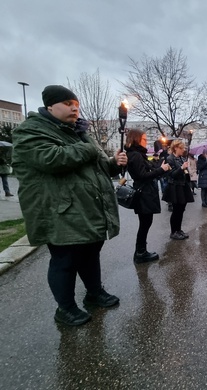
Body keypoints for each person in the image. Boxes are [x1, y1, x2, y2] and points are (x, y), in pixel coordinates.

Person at [11, 85, 127, 326]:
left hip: (88, 209)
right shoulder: (30, 131)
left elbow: (99, 167)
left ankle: (94, 293)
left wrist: (114, 163)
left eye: (76, 103)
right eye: (67, 103)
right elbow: (52, 159)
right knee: (65, 260)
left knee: (90, 254)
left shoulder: (78, 132)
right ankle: (65, 308)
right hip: (60, 210)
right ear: (50, 106)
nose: (74, 107)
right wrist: (87, 145)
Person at [125, 129, 170, 263]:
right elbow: (142, 175)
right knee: (145, 224)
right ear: (136, 139)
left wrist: (159, 166)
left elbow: (148, 169)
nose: (146, 142)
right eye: (144, 139)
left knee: (145, 223)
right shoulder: (135, 155)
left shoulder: (138, 154)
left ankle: (141, 251)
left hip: (145, 192)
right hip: (143, 193)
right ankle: (140, 252)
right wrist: (161, 170)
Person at [163, 140, 194, 240]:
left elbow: (184, 172)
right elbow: (171, 174)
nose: (183, 150)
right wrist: (181, 168)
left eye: (184, 148)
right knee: (176, 210)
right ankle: (173, 231)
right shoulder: (169, 159)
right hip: (175, 187)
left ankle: (179, 229)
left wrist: (187, 171)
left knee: (181, 210)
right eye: (181, 148)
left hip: (183, 186)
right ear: (175, 148)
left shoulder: (181, 158)